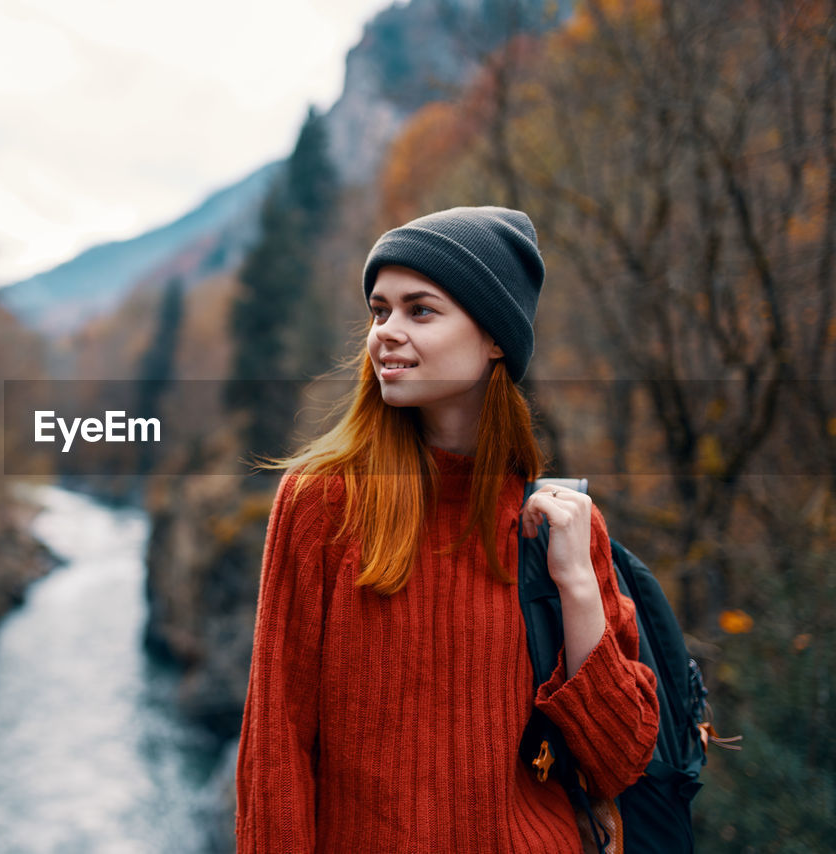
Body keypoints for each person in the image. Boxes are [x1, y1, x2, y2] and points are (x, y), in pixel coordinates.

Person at [234, 206, 660, 852]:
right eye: (381, 311)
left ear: (494, 338)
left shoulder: (562, 525)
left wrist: (576, 584)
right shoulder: (322, 502)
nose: (386, 333)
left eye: (420, 310)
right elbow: (277, 747)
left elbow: (620, 761)